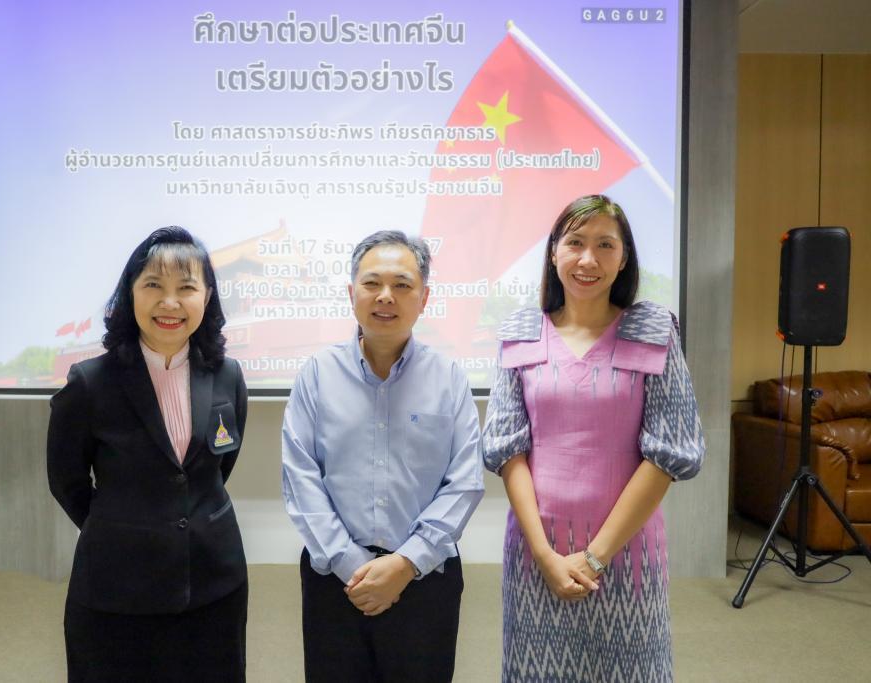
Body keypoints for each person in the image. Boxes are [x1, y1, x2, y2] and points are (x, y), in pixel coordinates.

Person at [482, 195, 705, 682]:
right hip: (537, 554)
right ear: (553, 252)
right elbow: (508, 451)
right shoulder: (521, 332)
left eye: (605, 245)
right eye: (575, 243)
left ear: (623, 258)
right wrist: (545, 556)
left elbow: (668, 455)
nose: (588, 259)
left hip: (627, 554)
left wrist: (594, 558)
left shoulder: (653, 332)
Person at [47, 227, 249, 682]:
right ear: (130, 293)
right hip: (117, 585)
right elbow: (66, 481)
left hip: (214, 580)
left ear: (207, 296)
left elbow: (217, 468)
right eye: (153, 285)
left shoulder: (228, 376)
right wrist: (122, 525)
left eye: (187, 288)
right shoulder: (90, 383)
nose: (170, 303)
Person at [282, 230, 484, 683]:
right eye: (372, 283)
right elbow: (300, 477)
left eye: (402, 284)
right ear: (350, 292)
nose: (385, 296)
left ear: (424, 297)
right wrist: (352, 566)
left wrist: (406, 563)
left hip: (425, 579)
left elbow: (465, 481)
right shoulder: (316, 374)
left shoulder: (449, 377)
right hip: (336, 583)